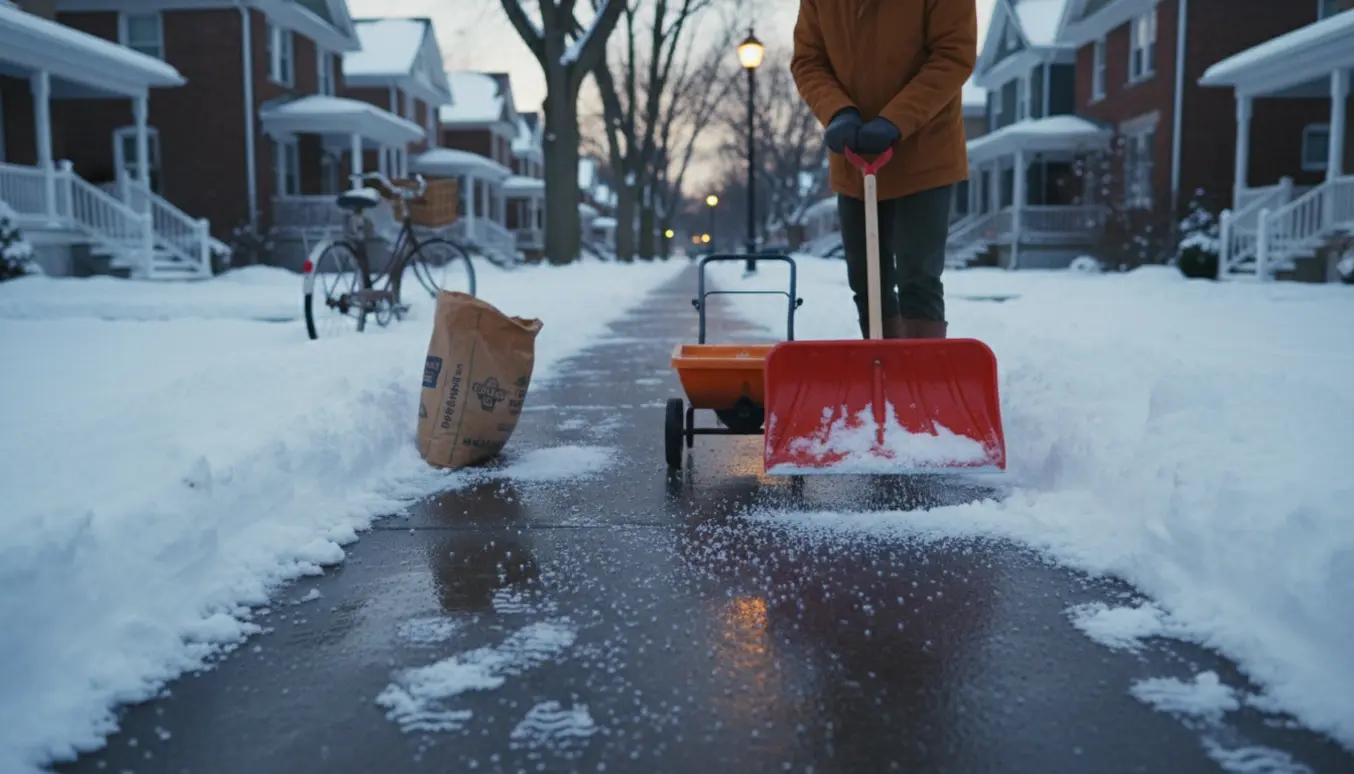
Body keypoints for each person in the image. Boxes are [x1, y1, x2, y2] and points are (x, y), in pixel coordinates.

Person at [790, 0, 978, 340]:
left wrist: (896, 119)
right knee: (865, 279)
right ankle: (882, 365)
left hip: (925, 152)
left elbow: (953, 55)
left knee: (917, 276)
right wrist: (837, 111)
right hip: (855, 154)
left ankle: (920, 376)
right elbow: (808, 60)